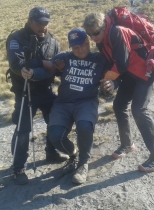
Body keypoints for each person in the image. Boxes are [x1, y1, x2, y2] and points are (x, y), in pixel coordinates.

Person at [83, 12, 154, 173]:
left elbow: (121, 64)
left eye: (95, 33)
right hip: (131, 73)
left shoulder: (117, 32)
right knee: (119, 105)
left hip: (146, 70)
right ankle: (127, 144)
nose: (93, 37)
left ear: (104, 26)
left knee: (139, 110)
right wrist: (112, 82)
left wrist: (112, 80)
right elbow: (113, 64)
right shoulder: (102, 40)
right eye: (90, 35)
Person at [6, 6, 69, 185]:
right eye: (39, 23)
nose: (43, 27)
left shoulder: (52, 40)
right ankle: (18, 168)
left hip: (46, 91)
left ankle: (51, 152)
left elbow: (56, 64)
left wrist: (56, 68)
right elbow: (15, 62)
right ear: (30, 21)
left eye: (46, 23)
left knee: (55, 122)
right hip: (24, 92)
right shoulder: (16, 38)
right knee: (23, 130)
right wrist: (25, 69)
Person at [43, 28, 113, 184]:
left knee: (84, 126)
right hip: (63, 102)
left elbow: (115, 69)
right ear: (70, 47)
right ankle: (73, 155)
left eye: (82, 45)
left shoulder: (99, 59)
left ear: (88, 42)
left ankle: (83, 163)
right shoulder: (63, 58)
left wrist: (112, 83)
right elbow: (48, 66)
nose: (79, 50)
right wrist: (45, 67)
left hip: (86, 101)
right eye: (75, 47)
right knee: (54, 135)